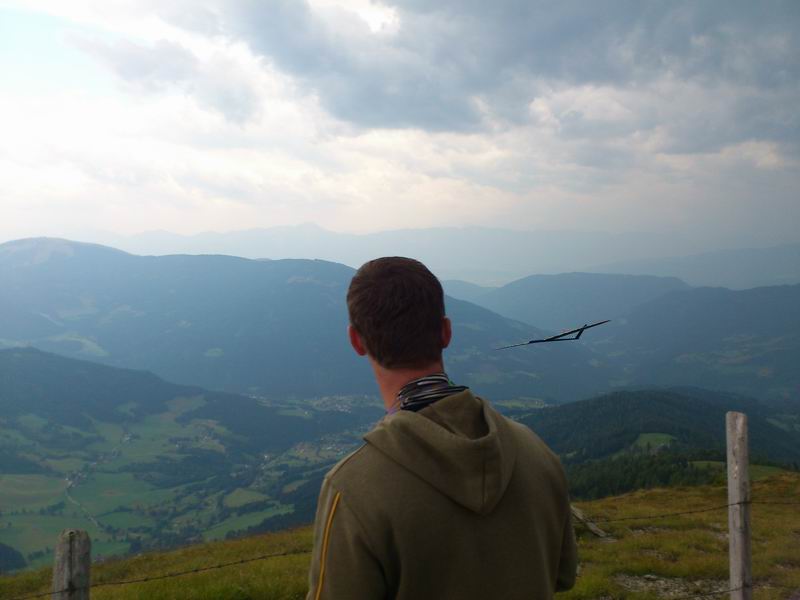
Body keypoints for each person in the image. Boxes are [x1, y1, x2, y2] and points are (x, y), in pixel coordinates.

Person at [306, 257, 577, 600]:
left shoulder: (353, 488)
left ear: (356, 341)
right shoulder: (537, 453)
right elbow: (563, 575)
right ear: (446, 332)